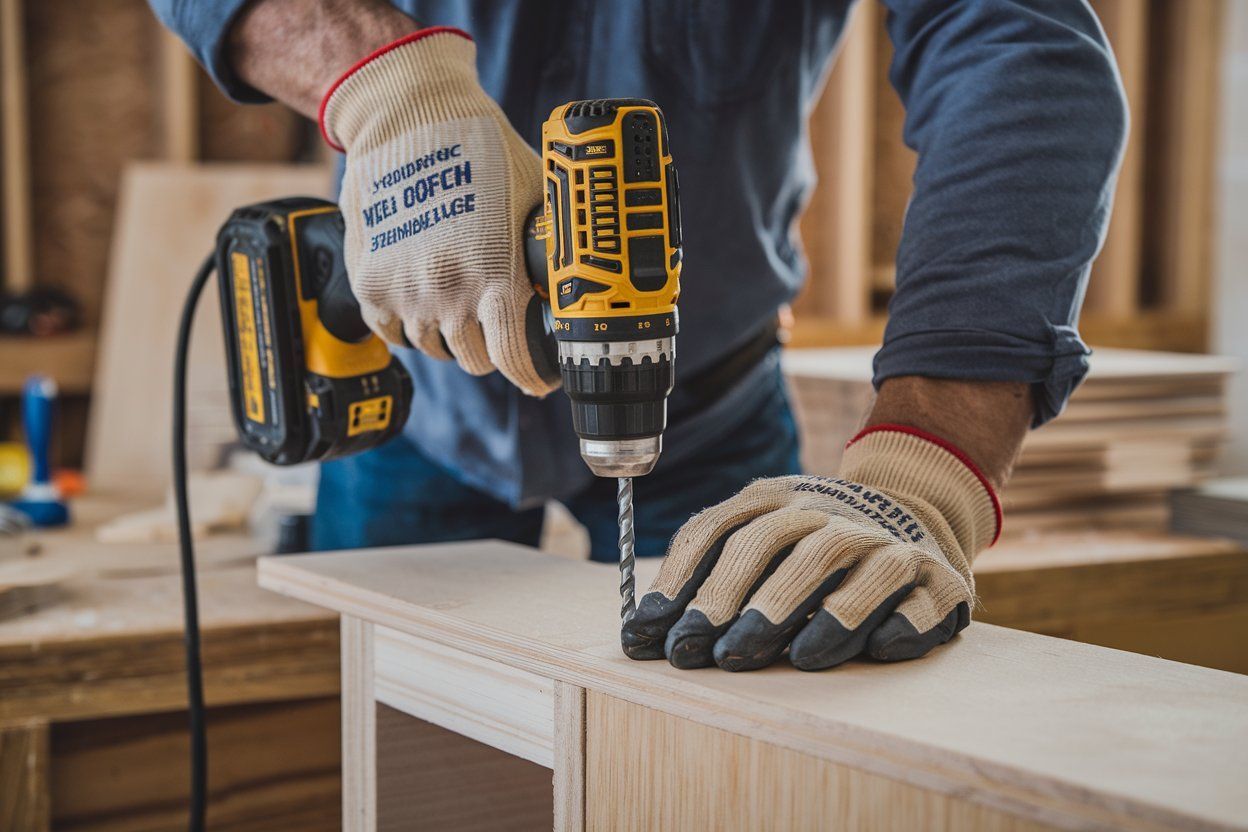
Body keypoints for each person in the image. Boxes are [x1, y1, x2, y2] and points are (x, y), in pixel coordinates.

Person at [150, 0, 1125, 671]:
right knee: (408, 744)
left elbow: (1014, 43)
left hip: (712, 404)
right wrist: (376, 82)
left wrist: (932, 457)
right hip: (427, 398)